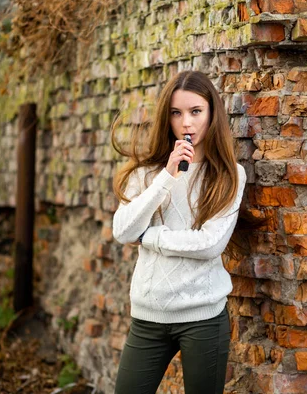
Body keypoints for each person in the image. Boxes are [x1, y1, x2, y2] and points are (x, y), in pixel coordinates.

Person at [111, 70, 246, 394]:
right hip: (148, 315)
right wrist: (166, 178)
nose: (186, 123)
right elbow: (122, 230)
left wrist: (151, 237)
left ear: (211, 114)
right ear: (167, 118)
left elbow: (210, 244)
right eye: (177, 113)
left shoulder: (230, 175)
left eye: (195, 111)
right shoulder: (146, 174)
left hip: (204, 317)